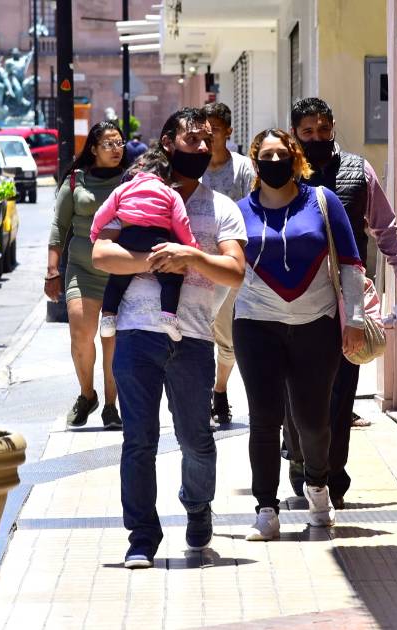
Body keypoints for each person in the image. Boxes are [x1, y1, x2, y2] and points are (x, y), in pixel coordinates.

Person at [92, 107, 247, 568]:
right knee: (138, 440)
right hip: (136, 334)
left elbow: (235, 271)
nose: (201, 147)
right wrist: (155, 261)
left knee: (196, 439)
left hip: (193, 337)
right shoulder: (135, 192)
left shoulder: (221, 207)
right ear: (167, 143)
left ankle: (197, 508)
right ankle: (141, 537)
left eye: (206, 140)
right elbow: (101, 254)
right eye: (191, 139)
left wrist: (190, 257)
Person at [283, 96, 397, 508]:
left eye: (323, 130)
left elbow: (385, 228)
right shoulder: (283, 172)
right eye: (307, 132)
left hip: (346, 303)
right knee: (295, 389)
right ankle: (301, 461)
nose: (317, 138)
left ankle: (331, 476)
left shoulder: (359, 171)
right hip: (293, 300)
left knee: (340, 394)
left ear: (334, 128)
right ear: (295, 135)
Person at [235, 128, 365, 541]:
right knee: (264, 419)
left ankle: (318, 487)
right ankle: (266, 509)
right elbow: (225, 268)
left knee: (313, 421)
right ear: (255, 163)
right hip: (256, 324)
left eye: (282, 154)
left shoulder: (322, 201)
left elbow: (350, 263)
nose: (275, 162)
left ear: (296, 159)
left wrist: (355, 320)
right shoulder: (239, 212)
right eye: (266, 156)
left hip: (317, 325)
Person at [46, 121, 129, 430]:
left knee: (112, 340)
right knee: (81, 334)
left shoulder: (130, 179)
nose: (116, 149)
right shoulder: (75, 180)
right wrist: (52, 271)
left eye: (119, 143)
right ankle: (87, 394)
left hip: (120, 272)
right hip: (82, 270)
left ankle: (111, 406)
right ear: (93, 149)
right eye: (108, 144)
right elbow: (59, 227)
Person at [91, 151, 199, 342]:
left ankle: (108, 317)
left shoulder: (123, 189)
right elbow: (181, 222)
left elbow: (103, 213)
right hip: (157, 240)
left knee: (116, 280)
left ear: (138, 169)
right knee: (172, 279)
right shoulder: (170, 193)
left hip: (128, 238)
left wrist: (94, 234)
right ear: (165, 175)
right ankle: (168, 316)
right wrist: (192, 246)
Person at [200, 102, 256, 427]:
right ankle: (202, 396)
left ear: (228, 132)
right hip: (196, 264)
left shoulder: (243, 169)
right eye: (204, 132)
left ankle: (219, 389)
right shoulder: (193, 167)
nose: (209, 138)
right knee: (196, 336)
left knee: (226, 337)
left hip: (229, 265)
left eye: (215, 131)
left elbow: (253, 211)